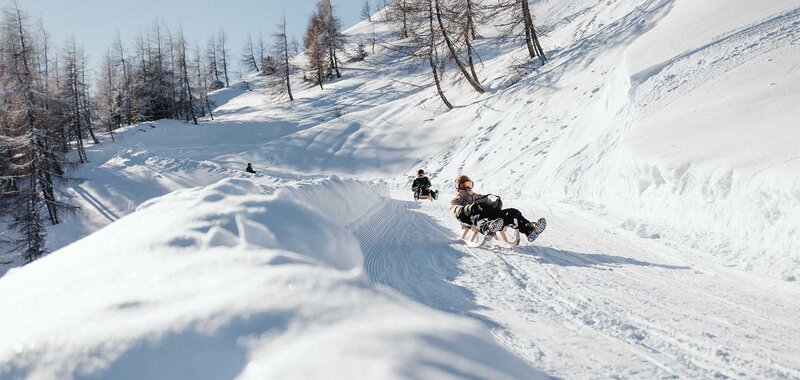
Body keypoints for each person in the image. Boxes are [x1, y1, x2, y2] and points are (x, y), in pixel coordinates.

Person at [449, 175, 545, 242]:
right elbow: (455, 210)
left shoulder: (478, 196)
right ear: (458, 188)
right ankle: (488, 229)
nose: (467, 188)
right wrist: (468, 209)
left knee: (513, 212)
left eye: (469, 185)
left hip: (493, 219)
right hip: (474, 220)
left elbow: (490, 204)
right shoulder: (456, 200)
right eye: (463, 185)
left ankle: (529, 229)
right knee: (477, 217)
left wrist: (496, 204)